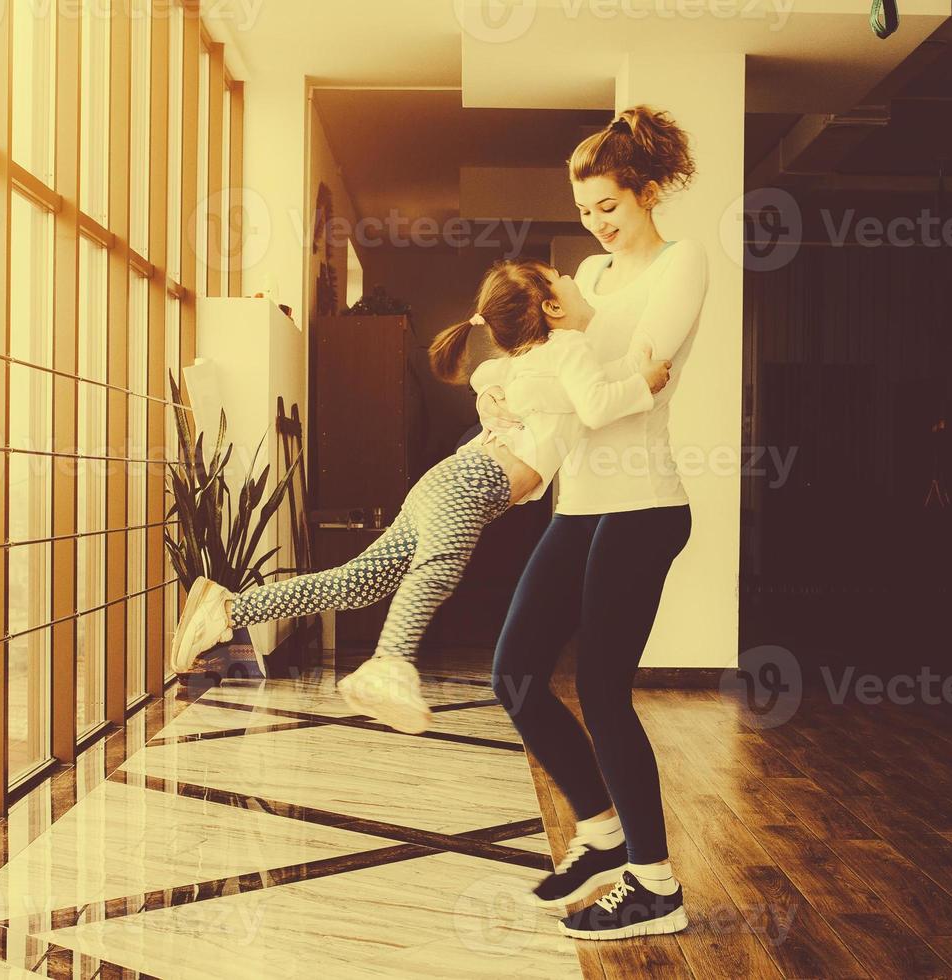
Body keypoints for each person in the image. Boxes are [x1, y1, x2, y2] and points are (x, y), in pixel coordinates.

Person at [168, 258, 671, 734]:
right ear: (553, 308)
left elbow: (493, 374)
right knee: (441, 565)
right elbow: (597, 404)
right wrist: (645, 383)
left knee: (355, 583)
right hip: (473, 482)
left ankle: (229, 609)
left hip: (450, 480)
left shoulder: (535, 356)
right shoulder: (567, 349)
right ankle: (389, 662)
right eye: (559, 276)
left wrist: (495, 391)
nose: (569, 275)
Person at [491, 105, 709, 941]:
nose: (594, 224)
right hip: (579, 504)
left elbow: (631, 379)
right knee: (514, 674)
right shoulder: (589, 272)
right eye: (583, 211)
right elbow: (569, 378)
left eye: (608, 207)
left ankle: (655, 887)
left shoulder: (679, 262)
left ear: (647, 192)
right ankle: (600, 833)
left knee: (602, 691)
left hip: (643, 504)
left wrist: (562, 346)